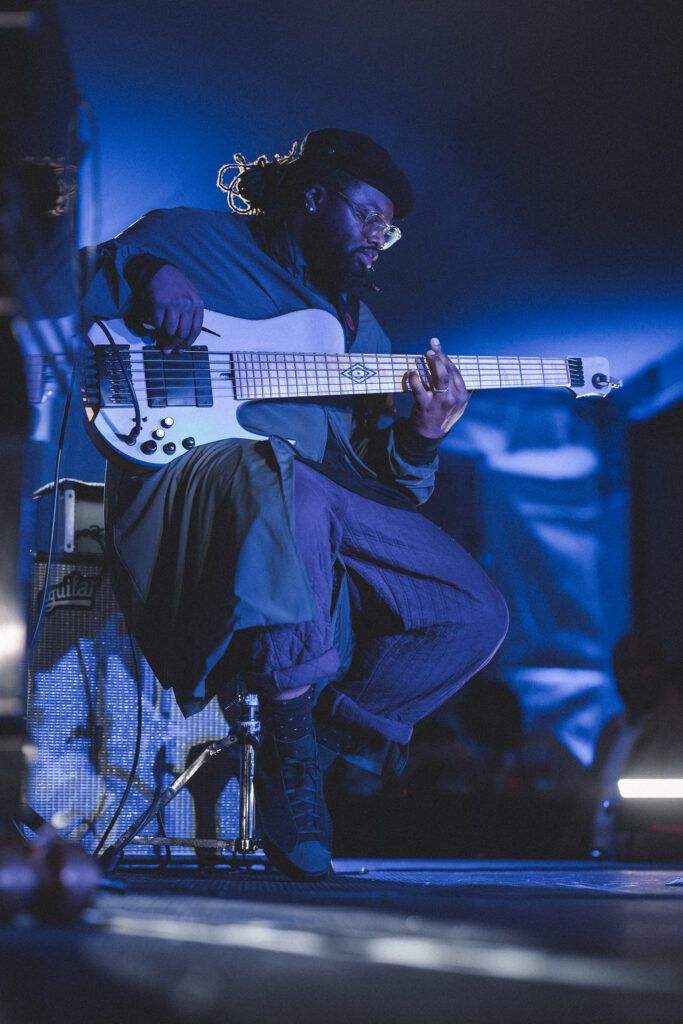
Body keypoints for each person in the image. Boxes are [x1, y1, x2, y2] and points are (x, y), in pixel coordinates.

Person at [81, 128, 509, 881]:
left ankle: (303, 746)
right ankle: (295, 750)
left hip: (310, 506)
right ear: (314, 197)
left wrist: (422, 434)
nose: (382, 238)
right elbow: (76, 285)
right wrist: (147, 272)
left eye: (390, 227)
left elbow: (393, 483)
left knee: (473, 611)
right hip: (188, 493)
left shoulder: (353, 328)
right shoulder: (189, 237)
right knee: (288, 475)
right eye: (370, 216)